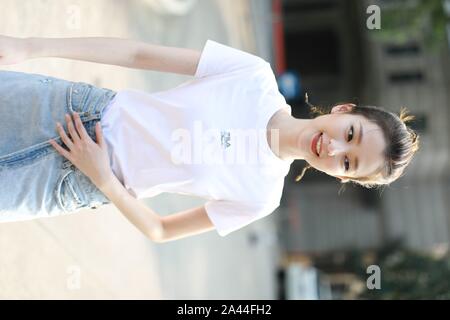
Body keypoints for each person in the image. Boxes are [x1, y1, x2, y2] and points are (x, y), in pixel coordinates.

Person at [0, 35, 419, 242]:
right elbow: (138, 55)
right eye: (350, 135)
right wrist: (30, 46)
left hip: (75, 183)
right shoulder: (253, 75)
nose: (335, 149)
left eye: (349, 162)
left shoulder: (261, 197)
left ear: (343, 178)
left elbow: (160, 231)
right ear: (344, 110)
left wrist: (104, 179)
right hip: (74, 110)